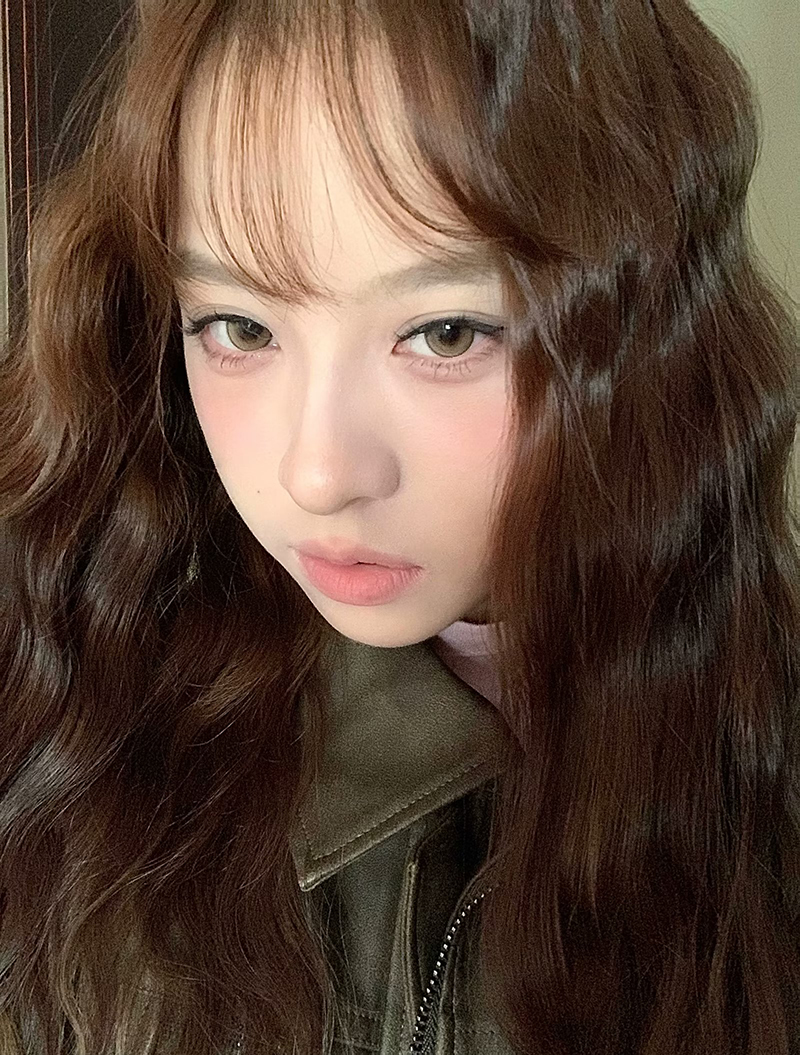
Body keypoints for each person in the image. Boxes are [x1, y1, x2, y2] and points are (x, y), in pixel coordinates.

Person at [1, 0, 799, 1052]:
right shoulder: (77, 703)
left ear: (649, 326)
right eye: (238, 326)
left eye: (445, 332)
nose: (317, 473)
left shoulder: (762, 744)